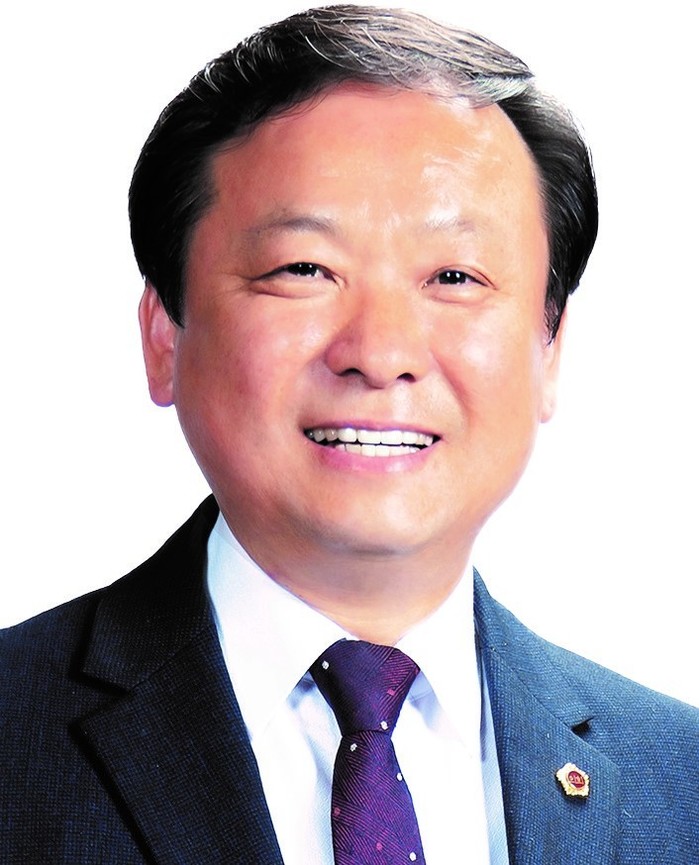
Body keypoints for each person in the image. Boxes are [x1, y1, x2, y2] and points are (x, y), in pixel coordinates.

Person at [1, 5, 697, 863]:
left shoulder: (680, 780)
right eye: (304, 269)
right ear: (164, 337)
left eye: (454, 276)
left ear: (548, 348)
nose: (381, 352)